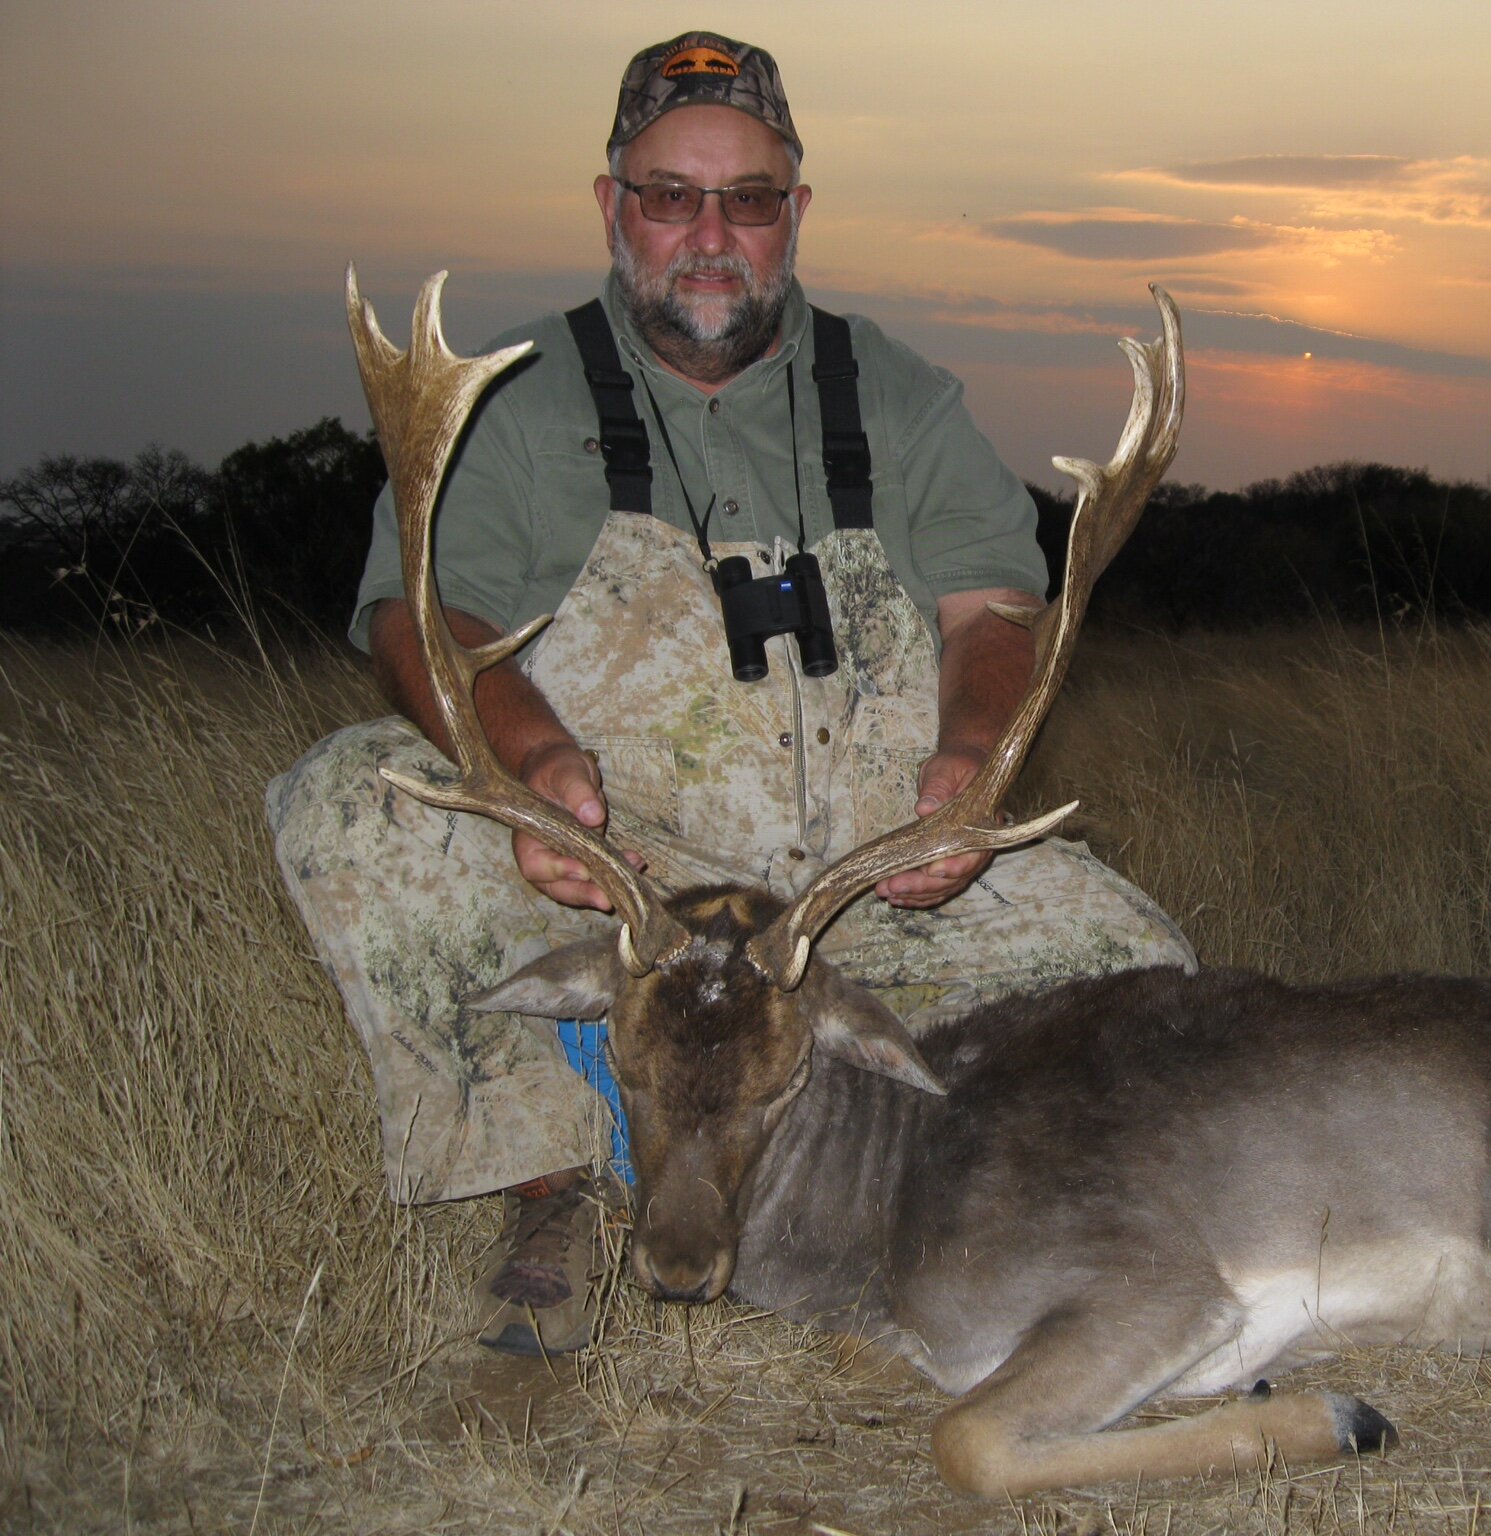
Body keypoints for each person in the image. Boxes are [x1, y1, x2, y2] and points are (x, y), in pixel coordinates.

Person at [266, 30, 1193, 1357]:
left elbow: (996, 608)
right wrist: (534, 770)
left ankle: (968, 1200)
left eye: (749, 198)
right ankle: (558, 1179)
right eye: (669, 194)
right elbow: (424, 617)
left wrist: (970, 766)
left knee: (1142, 973)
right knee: (352, 799)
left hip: (870, 876)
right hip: (625, 873)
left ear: (794, 214)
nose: (710, 233)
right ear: (613, 207)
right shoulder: (516, 405)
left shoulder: (897, 394)